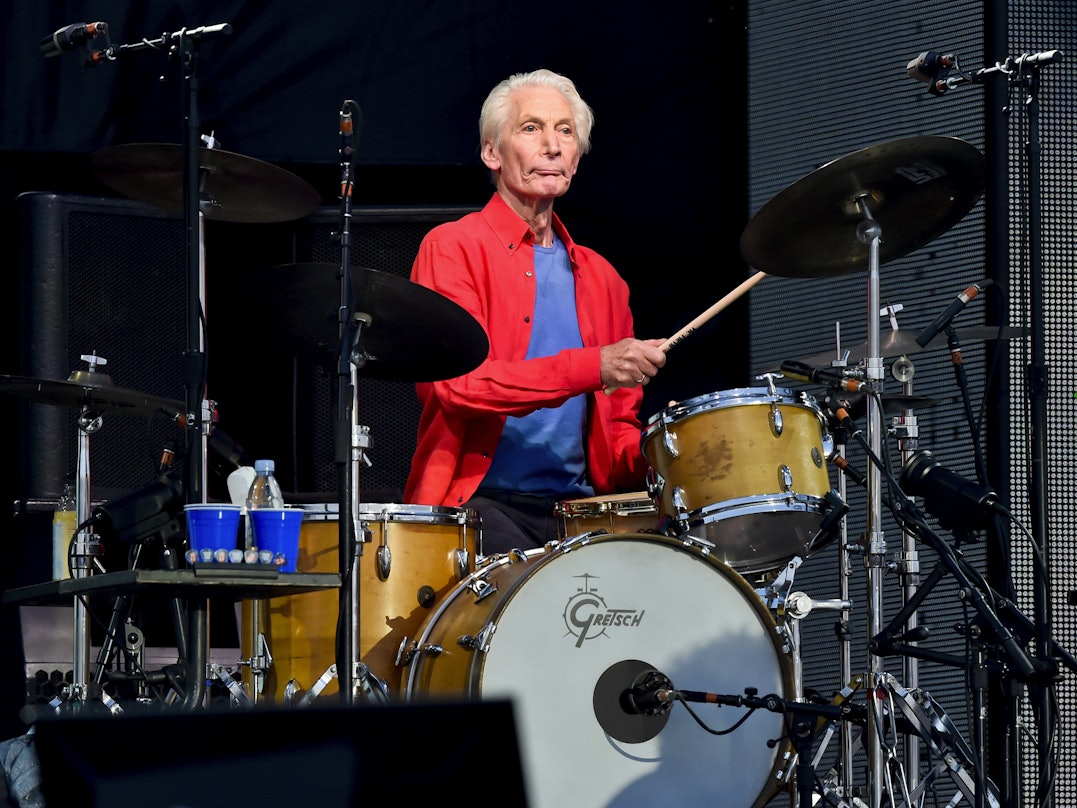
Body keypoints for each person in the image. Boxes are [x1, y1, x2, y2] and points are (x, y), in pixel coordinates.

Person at [404, 68, 666, 556]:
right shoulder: (452, 247)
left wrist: (673, 455)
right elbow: (457, 387)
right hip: (478, 507)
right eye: (531, 128)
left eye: (565, 131)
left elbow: (617, 429)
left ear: (576, 157)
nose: (552, 145)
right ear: (491, 152)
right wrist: (594, 365)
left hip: (583, 514)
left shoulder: (606, 280)